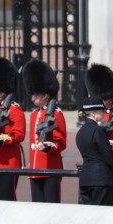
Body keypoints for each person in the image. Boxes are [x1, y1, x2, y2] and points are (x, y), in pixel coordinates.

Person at [21, 59, 67, 203]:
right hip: (34, 168)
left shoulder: (57, 114)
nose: (33, 98)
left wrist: (48, 147)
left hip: (50, 167)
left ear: (46, 94)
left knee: (51, 206)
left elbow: (60, 143)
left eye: (37, 94)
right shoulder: (35, 114)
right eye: (32, 94)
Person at [0, 57, 26, 201]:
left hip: (9, 163)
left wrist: (0, 139)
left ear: (3, 89)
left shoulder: (15, 110)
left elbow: (18, 135)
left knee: (7, 201)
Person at [86, 64, 113, 202]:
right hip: (95, 166)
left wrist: (108, 144)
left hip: (111, 165)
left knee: (112, 202)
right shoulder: (94, 116)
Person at [76, 96, 113, 206]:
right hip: (101, 180)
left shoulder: (80, 132)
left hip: (85, 179)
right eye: (102, 111)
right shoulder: (98, 130)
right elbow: (109, 156)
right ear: (93, 113)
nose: (104, 113)